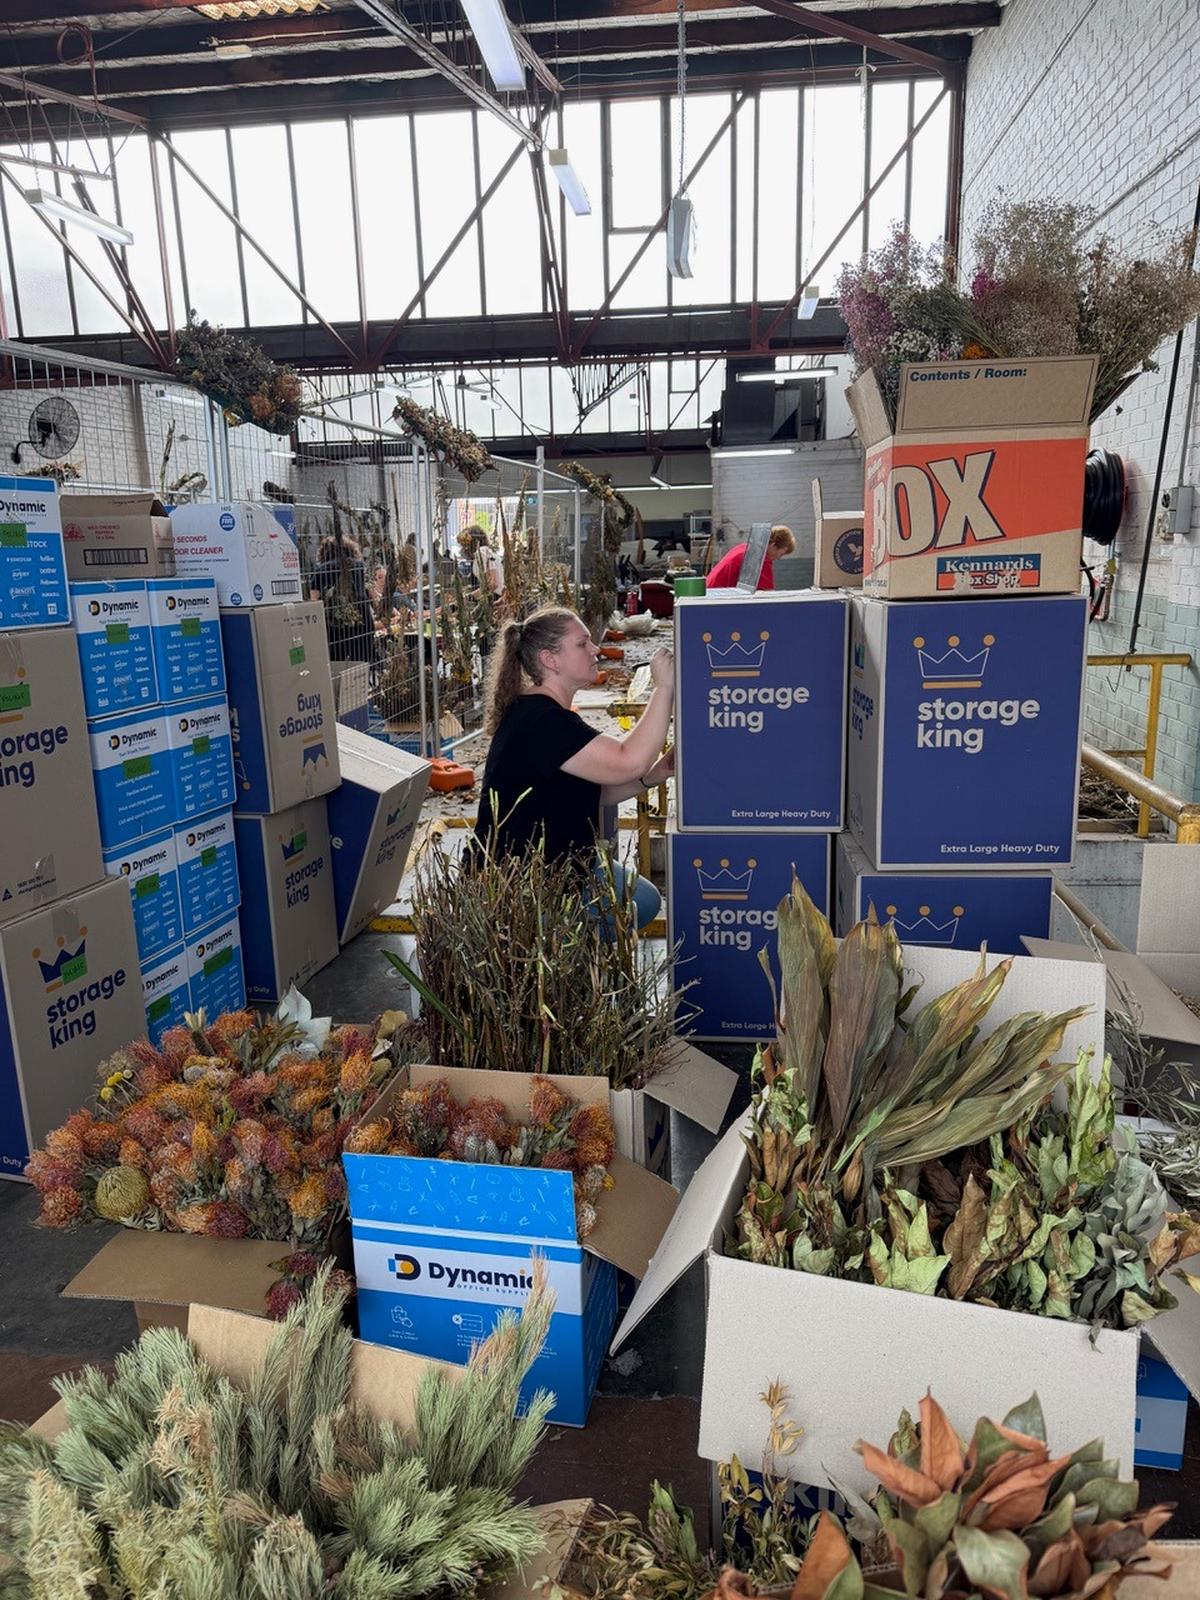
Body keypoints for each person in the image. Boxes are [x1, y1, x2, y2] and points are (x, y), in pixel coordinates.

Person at [474, 606, 674, 928]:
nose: (595, 649)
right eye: (582, 644)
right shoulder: (541, 722)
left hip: (561, 865)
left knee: (644, 900)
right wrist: (663, 688)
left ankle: (577, 948)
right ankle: (562, 951)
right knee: (632, 906)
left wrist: (653, 776)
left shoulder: (545, 713)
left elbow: (591, 794)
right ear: (550, 660)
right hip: (526, 884)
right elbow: (628, 759)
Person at [312, 533, 378, 662]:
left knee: (337, 664)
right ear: (350, 548)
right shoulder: (359, 566)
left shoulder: (321, 570)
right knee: (361, 664)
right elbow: (372, 595)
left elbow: (314, 601)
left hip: (335, 626)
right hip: (363, 621)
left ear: (324, 552)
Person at [705, 523, 796, 590]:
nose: (778, 559)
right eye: (780, 554)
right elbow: (768, 597)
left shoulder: (744, 547)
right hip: (718, 601)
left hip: (709, 592)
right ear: (773, 545)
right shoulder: (760, 560)